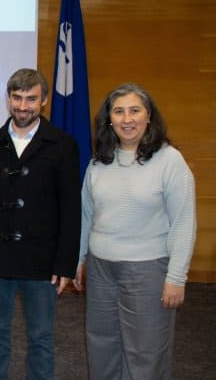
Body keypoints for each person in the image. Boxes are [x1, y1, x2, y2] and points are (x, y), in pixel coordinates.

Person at [0, 68, 80, 380]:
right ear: (8, 99)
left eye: (31, 99)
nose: (23, 106)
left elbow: (70, 209)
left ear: (44, 101)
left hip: (41, 261)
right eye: (17, 98)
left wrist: (66, 263)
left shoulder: (63, 145)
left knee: (41, 337)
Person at [73, 83, 196, 379]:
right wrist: (78, 259)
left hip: (148, 270)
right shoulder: (99, 163)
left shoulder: (169, 161)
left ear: (149, 116)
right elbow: (86, 216)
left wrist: (176, 277)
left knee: (146, 353)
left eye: (134, 110)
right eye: (118, 112)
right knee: (102, 346)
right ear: (109, 120)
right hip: (102, 269)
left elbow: (184, 221)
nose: (127, 119)